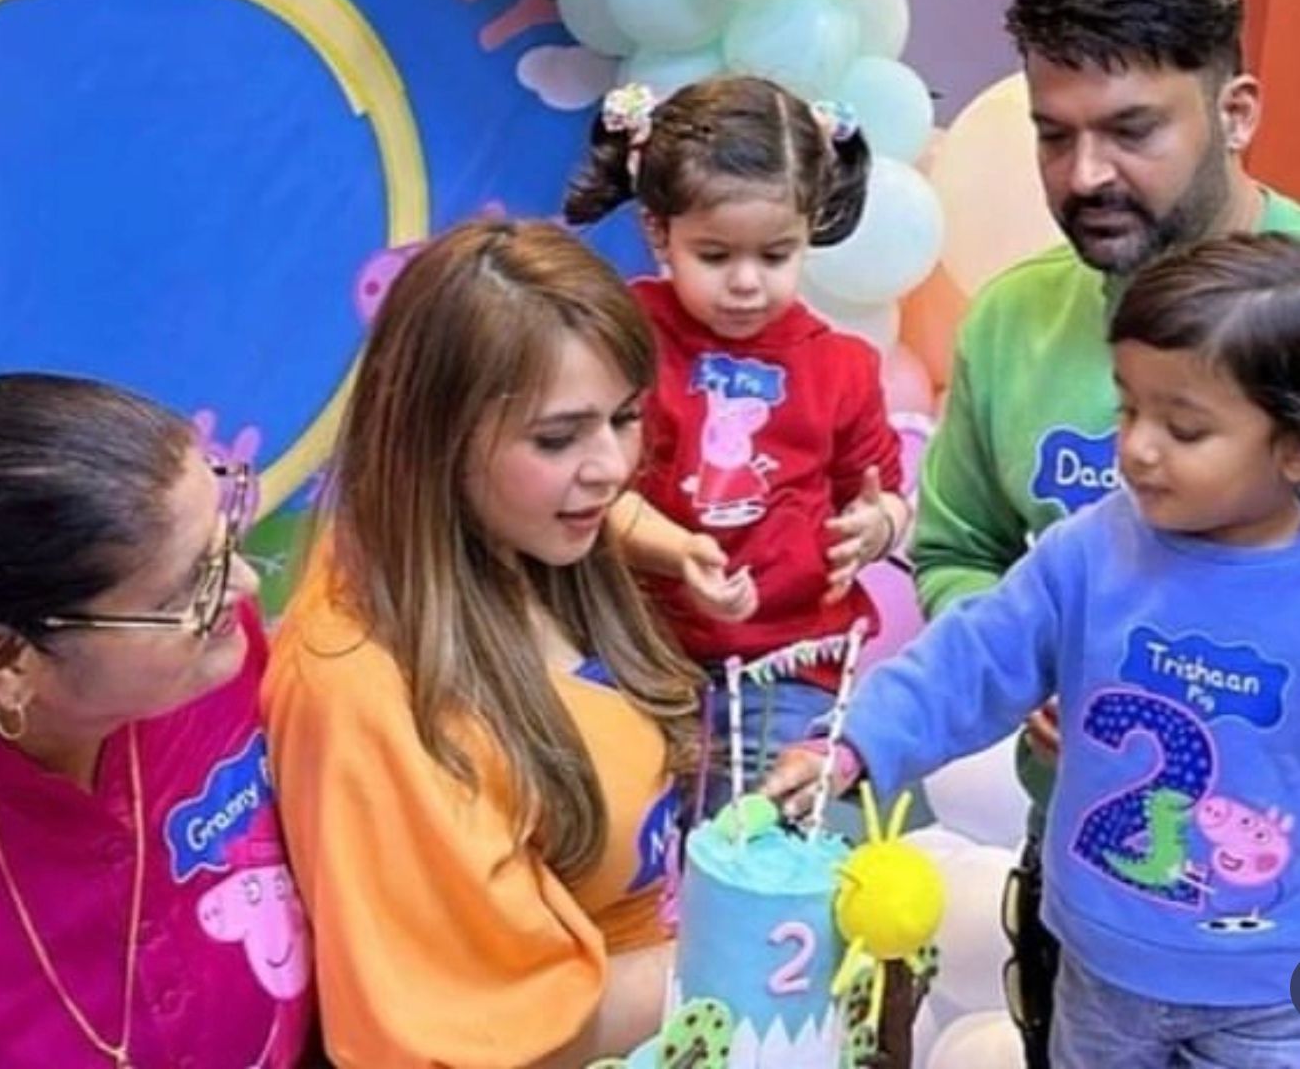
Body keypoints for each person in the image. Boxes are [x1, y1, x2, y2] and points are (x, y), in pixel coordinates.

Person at [909, 0, 1300, 1064]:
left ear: (1233, 111)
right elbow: (956, 552)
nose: (1083, 176)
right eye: (1053, 134)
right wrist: (1029, 659)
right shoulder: (1010, 323)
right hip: (1084, 894)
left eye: (1130, 131)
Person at [771, 230, 1300, 1068]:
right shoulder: (1091, 547)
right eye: (1127, 408)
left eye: (1183, 428)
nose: (1137, 447)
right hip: (1097, 964)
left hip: (1268, 991)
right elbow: (971, 658)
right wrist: (857, 742)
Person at [263, 219, 704, 1068]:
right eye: (556, 438)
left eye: (623, 418)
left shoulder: (536, 538)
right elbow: (472, 1039)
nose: (611, 467)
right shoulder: (360, 687)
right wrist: (739, 950)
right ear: (434, 438)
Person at [0, 373, 316, 1068]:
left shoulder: (220, 655)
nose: (242, 586)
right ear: (6, 659)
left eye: (224, 540)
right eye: (190, 585)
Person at [563, 75, 910, 805]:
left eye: (775, 255)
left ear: (810, 227)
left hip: (786, 665)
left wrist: (876, 526)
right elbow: (592, 491)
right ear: (658, 231)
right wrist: (677, 551)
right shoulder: (625, 336)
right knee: (624, 834)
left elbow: (883, 494)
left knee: (755, 842)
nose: (746, 283)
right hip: (636, 651)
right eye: (715, 256)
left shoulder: (841, 366)